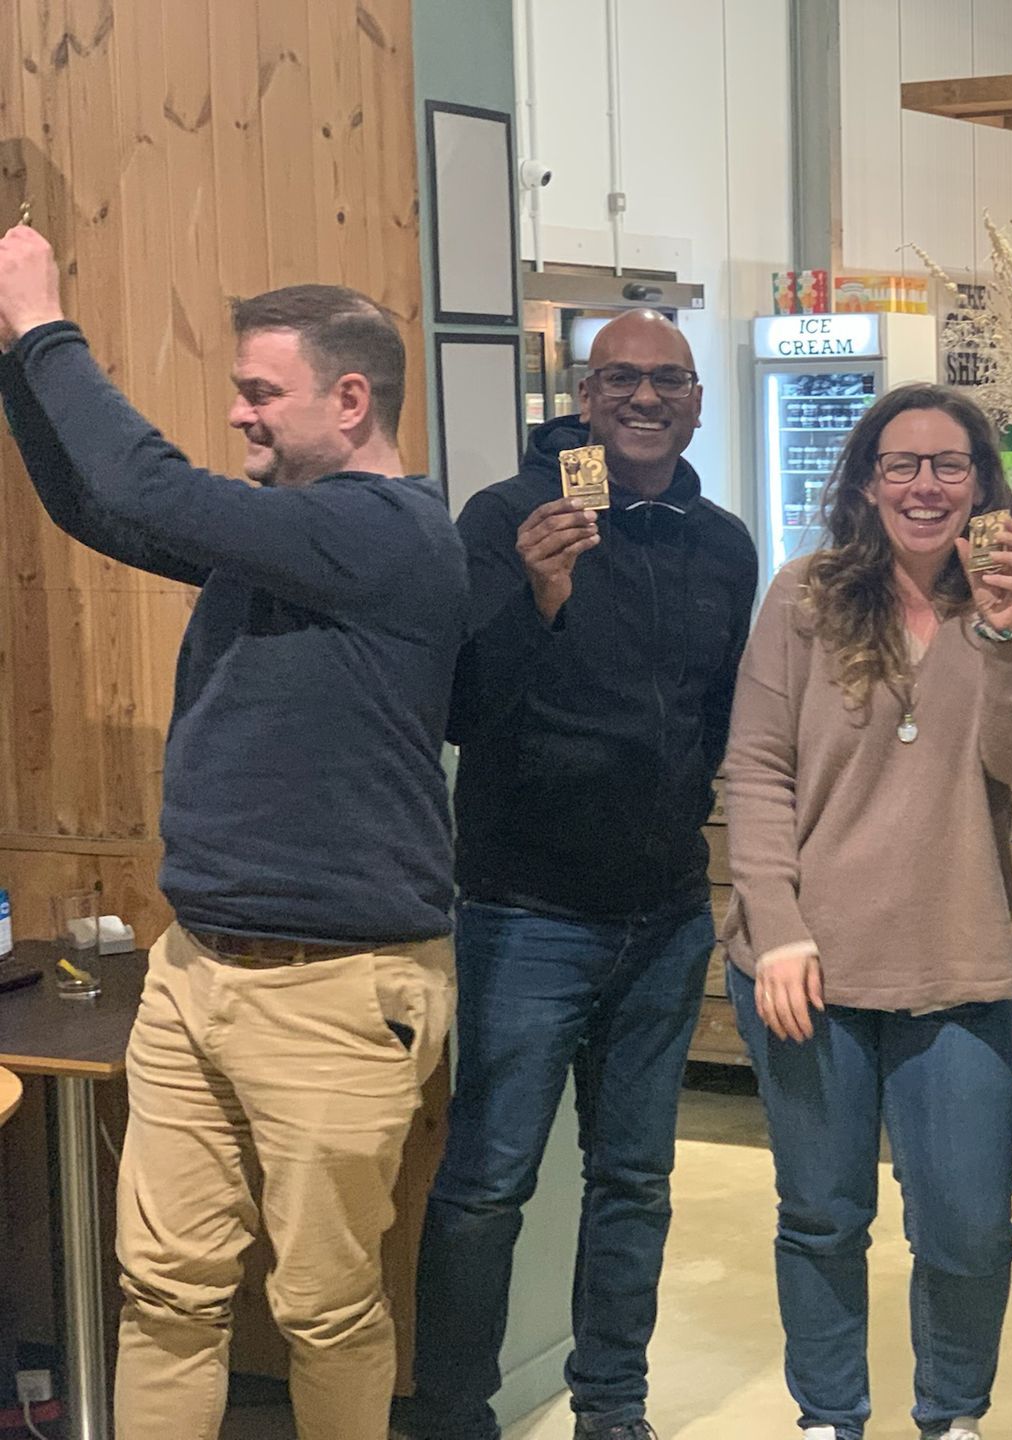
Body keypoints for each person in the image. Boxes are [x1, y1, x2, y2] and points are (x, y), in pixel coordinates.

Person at [0, 226, 466, 1440]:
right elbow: (100, 503)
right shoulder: (286, 540)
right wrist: (12, 354)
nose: (241, 417)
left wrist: (46, 320)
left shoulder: (387, 534)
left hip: (339, 991)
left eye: (262, 393)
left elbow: (146, 482)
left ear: (350, 398)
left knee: (324, 1307)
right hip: (196, 972)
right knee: (164, 1292)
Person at [404, 311, 757, 1440]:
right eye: (620, 379)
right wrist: (539, 603)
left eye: (667, 381)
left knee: (637, 1182)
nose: (644, 398)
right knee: (486, 1187)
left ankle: (614, 1404)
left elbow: (718, 712)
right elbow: (462, 709)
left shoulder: (722, 543)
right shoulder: (509, 520)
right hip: (524, 911)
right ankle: (456, 1414)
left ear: (697, 399)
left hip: (663, 914)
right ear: (582, 393)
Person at [721, 382, 1012, 1440]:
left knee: (968, 1227)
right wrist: (774, 924)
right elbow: (756, 770)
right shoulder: (804, 596)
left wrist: (1007, 638)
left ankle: (951, 1416)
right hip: (807, 965)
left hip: (953, 959)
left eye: (948, 465)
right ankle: (830, 1417)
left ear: (979, 483)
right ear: (867, 482)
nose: (925, 485)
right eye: (902, 464)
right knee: (823, 1216)